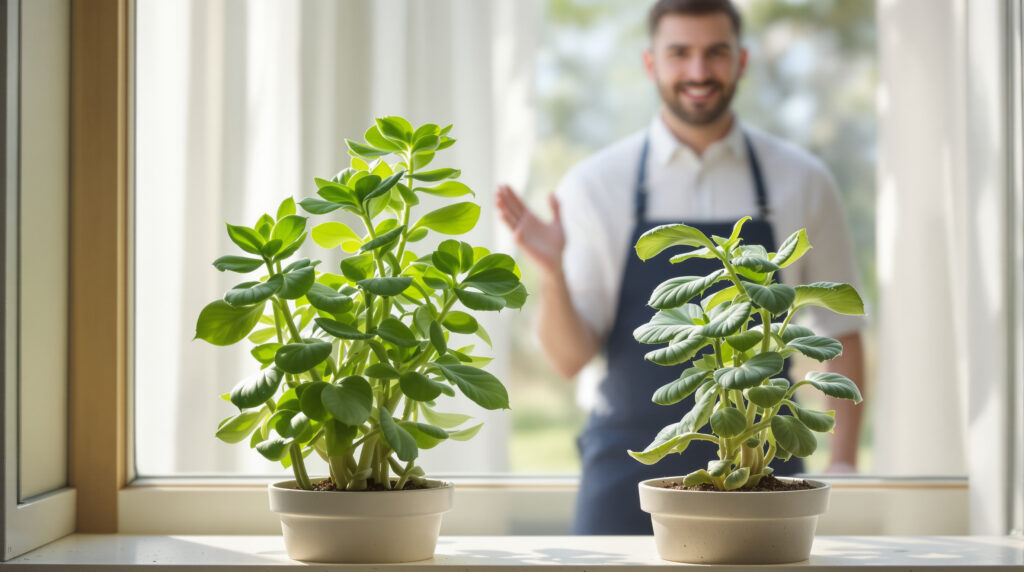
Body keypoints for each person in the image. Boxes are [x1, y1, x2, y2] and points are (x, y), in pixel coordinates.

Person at [496, 0, 867, 535]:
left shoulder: (803, 180)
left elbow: (841, 332)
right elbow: (567, 359)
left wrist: (844, 462)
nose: (698, 71)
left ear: (741, 61)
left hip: (764, 469)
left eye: (715, 52)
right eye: (680, 53)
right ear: (651, 64)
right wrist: (552, 272)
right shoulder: (596, 183)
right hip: (626, 471)